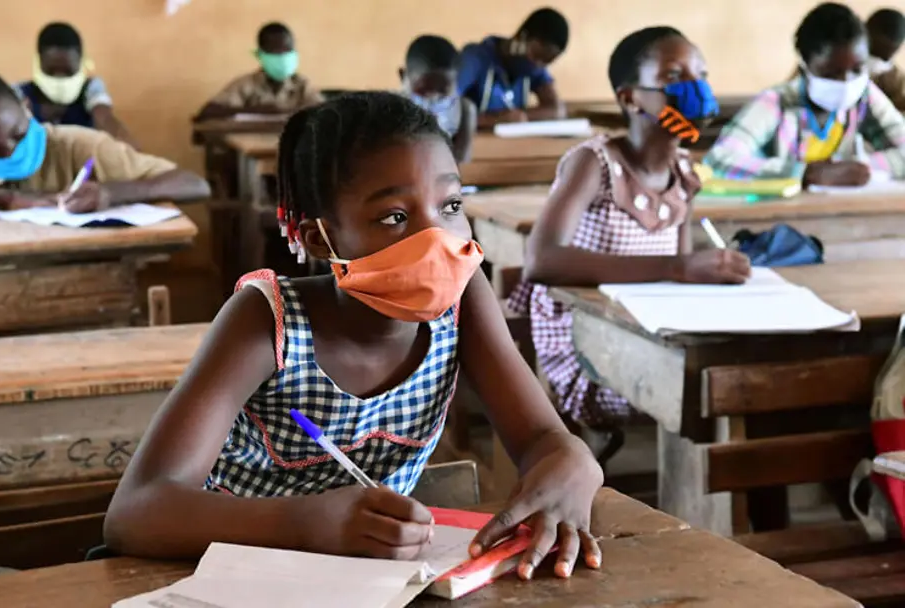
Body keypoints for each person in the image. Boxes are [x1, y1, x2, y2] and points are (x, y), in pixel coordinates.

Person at [104, 92, 605, 580]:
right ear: (320, 238)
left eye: (451, 205)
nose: (438, 240)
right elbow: (138, 510)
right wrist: (305, 523)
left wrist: (572, 461)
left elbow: (543, 439)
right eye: (395, 217)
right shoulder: (266, 320)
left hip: (369, 582)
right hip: (230, 576)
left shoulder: (462, 300)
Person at [507, 28, 751, 438]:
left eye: (701, 74)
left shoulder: (684, 172)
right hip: (583, 347)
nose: (696, 87)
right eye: (674, 77)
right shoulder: (595, 162)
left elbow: (680, 281)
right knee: (706, 396)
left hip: (645, 334)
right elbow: (541, 261)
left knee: (733, 383)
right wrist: (678, 267)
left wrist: (701, 274)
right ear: (630, 97)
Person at [0, 67, 210, 218]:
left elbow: (194, 185)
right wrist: (6, 198)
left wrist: (111, 193)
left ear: (25, 106)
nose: (11, 150)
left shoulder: (79, 144)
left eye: (18, 133)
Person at [705, 2, 905, 184]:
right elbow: (718, 160)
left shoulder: (864, 95)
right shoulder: (777, 102)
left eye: (857, 70)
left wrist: (858, 167)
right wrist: (804, 173)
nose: (846, 82)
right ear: (804, 68)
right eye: (831, 74)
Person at [15, 22, 137, 148]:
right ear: (38, 64)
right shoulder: (19, 94)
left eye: (68, 72)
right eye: (51, 71)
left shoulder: (92, 89)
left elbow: (105, 118)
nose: (60, 80)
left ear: (81, 63)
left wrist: (127, 152)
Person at [457, 7, 568, 128]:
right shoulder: (475, 58)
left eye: (546, 61)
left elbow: (557, 110)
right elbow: (444, 108)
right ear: (522, 37)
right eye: (536, 55)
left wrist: (522, 116)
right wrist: (494, 119)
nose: (538, 66)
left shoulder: (533, 68)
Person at [197, 22, 325, 120]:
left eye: (287, 51)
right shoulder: (246, 84)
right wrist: (256, 111)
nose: (282, 57)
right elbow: (208, 112)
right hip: (249, 150)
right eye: (275, 52)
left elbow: (325, 113)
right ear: (259, 55)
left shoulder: (301, 84)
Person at [401, 35, 477, 163]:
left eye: (443, 92)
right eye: (423, 90)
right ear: (403, 76)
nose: (433, 98)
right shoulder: (387, 112)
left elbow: (460, 166)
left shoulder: (465, 110)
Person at [866, 8, 905, 111]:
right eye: (875, 54)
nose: (880, 62)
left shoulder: (895, 78)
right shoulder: (845, 67)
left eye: (886, 59)